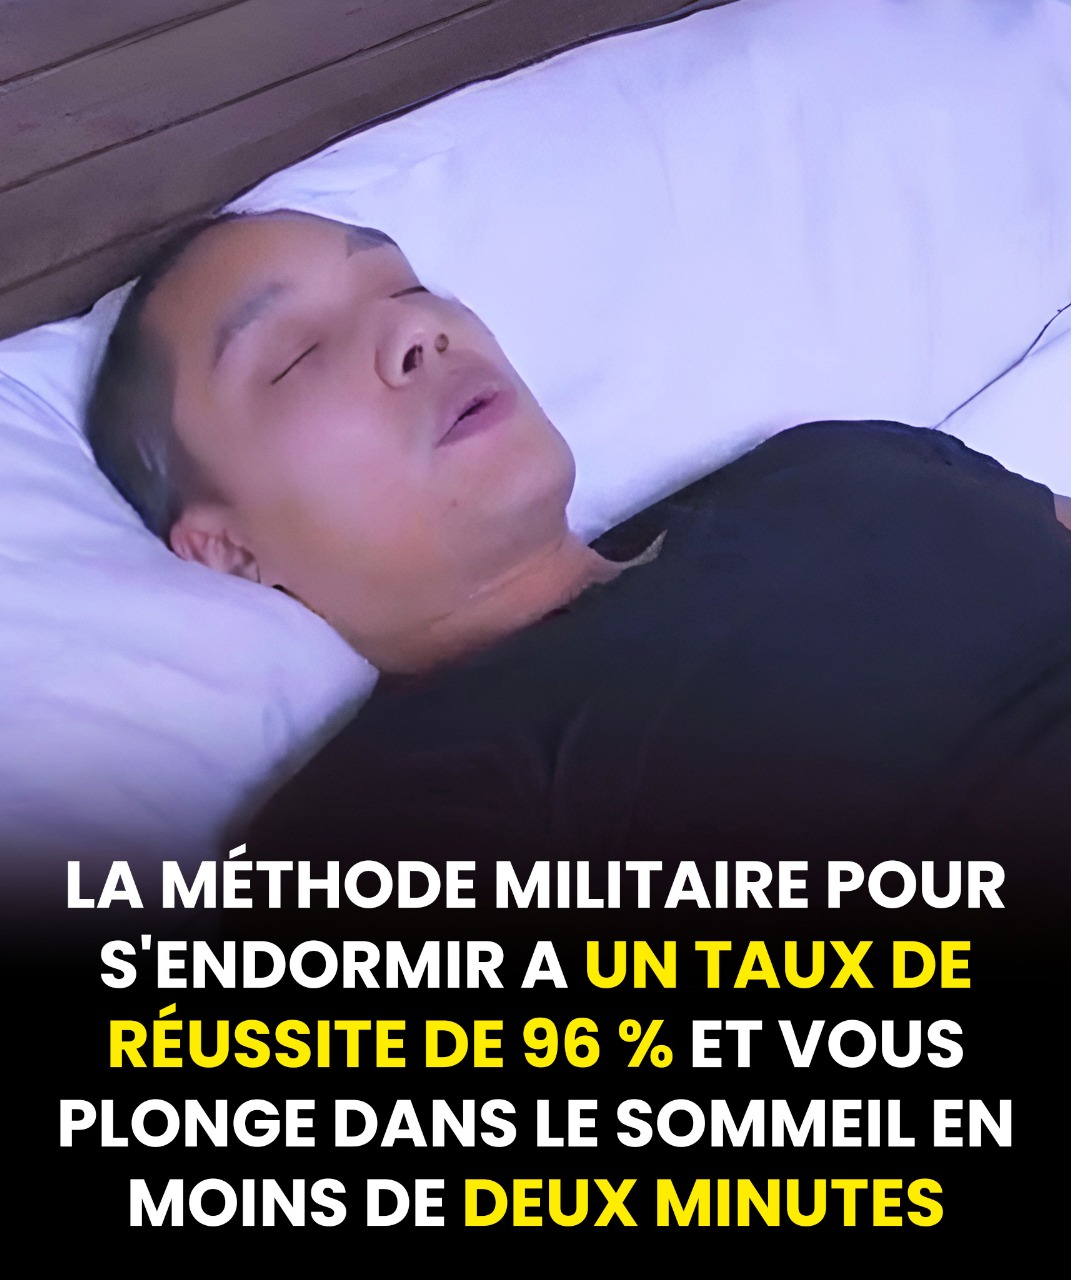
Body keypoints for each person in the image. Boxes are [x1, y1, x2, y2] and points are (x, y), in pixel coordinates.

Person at [87, 209, 1071, 902]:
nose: (416, 327)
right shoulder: (386, 817)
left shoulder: (832, 463)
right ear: (229, 548)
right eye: (298, 355)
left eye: (408, 286)